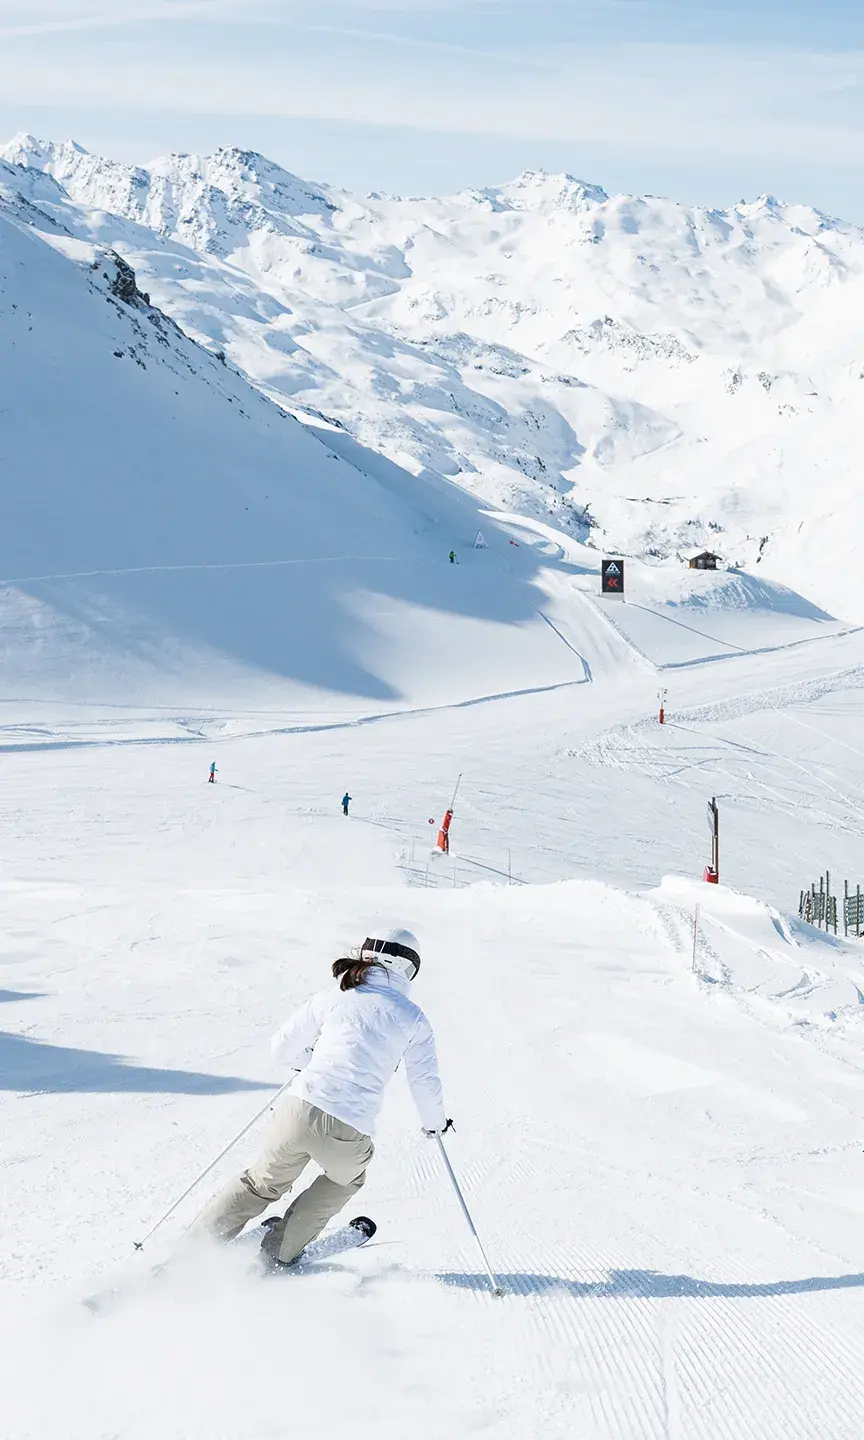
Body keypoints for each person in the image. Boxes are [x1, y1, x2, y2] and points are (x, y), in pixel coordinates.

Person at [190, 927, 450, 1267]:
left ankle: (192, 1251)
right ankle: (279, 1251)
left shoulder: (337, 993)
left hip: (298, 1110)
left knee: (261, 1182)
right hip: (348, 1127)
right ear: (408, 967)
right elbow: (424, 1082)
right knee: (346, 1179)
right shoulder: (413, 1018)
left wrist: (312, 1064)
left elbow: (281, 1049)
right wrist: (435, 1125)